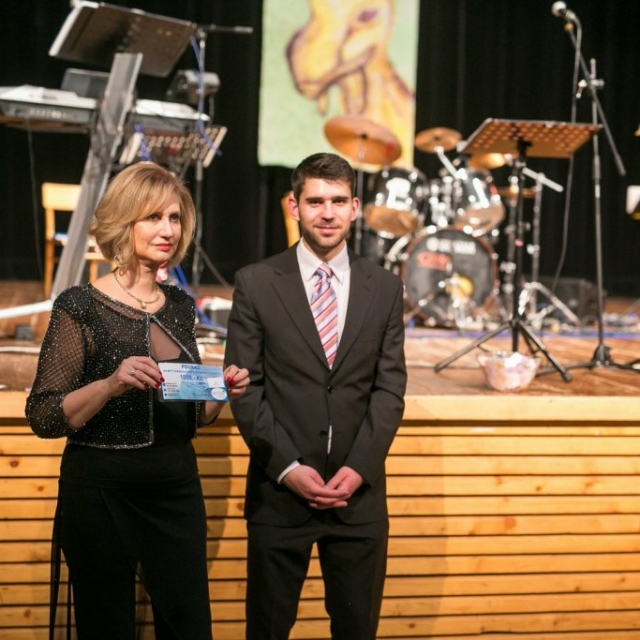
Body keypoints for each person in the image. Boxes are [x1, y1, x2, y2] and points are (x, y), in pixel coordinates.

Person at [25, 161, 249, 640]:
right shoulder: (79, 306)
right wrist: (110, 383)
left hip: (175, 489)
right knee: (106, 627)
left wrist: (221, 392)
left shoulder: (181, 306)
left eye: (175, 218)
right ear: (123, 222)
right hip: (101, 492)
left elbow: (194, 416)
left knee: (188, 625)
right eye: (153, 217)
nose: (168, 230)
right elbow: (43, 415)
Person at [224, 152, 407, 639]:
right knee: (267, 630)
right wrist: (288, 468)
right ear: (294, 207)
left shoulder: (386, 287)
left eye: (338, 201)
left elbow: (390, 389)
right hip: (279, 493)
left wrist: (359, 468)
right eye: (315, 201)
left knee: (357, 630)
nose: (327, 213)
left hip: (358, 498)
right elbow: (246, 388)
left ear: (355, 208)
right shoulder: (256, 283)